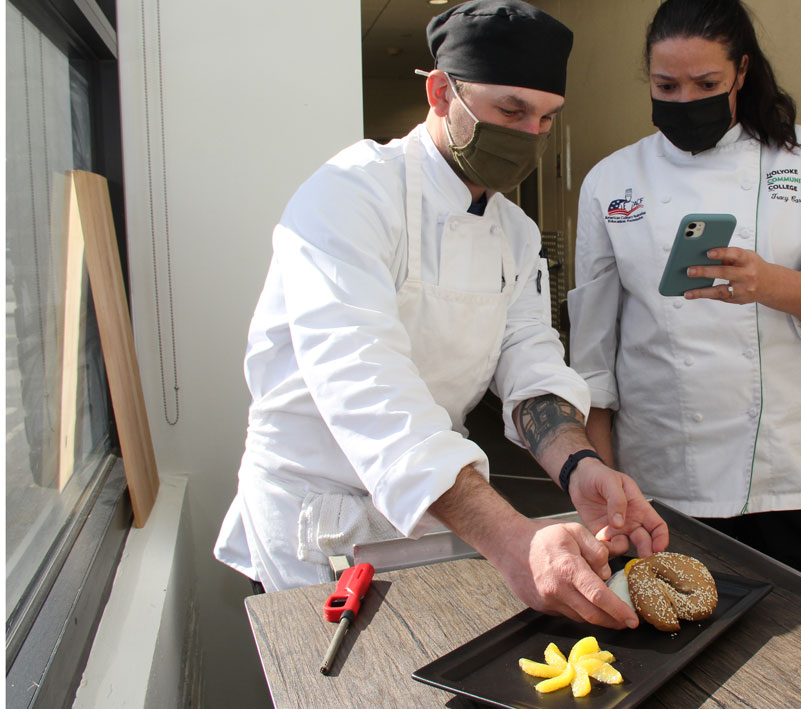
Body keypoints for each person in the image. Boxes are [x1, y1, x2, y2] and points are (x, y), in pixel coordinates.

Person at [214, 0, 667, 629]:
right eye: (511, 110)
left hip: (434, 506)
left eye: (545, 118)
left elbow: (530, 360)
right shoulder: (350, 196)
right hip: (318, 521)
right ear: (438, 92)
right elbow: (364, 381)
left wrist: (579, 464)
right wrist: (512, 539)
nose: (530, 135)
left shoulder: (515, 231)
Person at [567, 0, 801, 590]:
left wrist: (770, 283)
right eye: (666, 85)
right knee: (672, 644)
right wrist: (608, 491)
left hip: (795, 472)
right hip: (664, 478)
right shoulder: (612, 180)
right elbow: (594, 362)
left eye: (706, 83)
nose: (685, 100)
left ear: (741, 72)